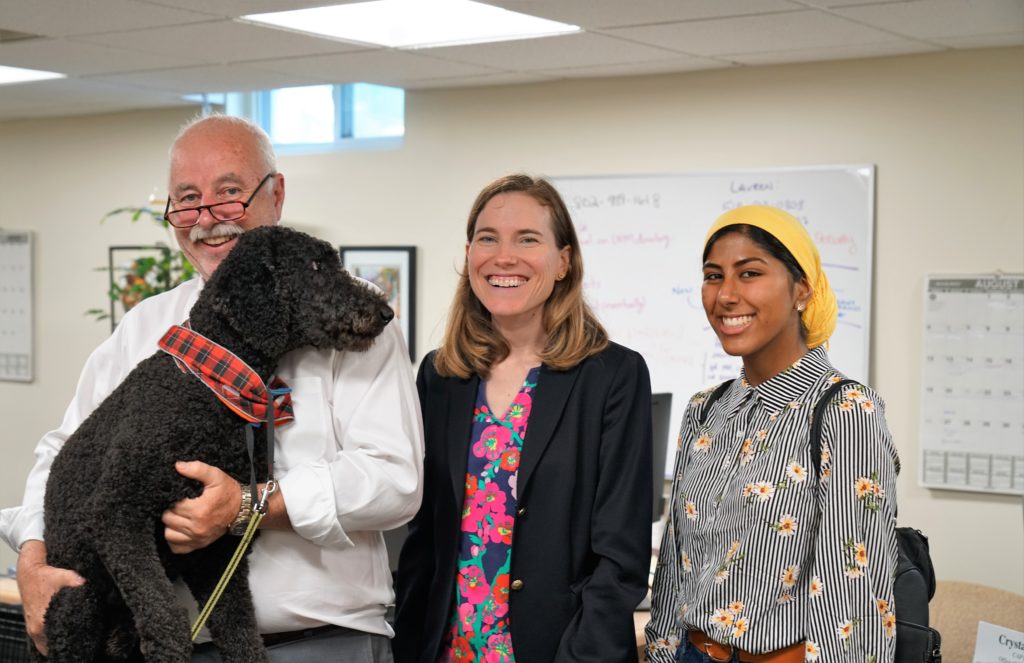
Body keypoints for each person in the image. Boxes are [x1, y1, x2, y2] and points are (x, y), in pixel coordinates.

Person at [0, 114, 424, 662]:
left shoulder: (348, 316)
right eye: (188, 200)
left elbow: (395, 475)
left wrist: (250, 506)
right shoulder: (146, 325)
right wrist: (34, 562)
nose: (209, 219)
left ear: (277, 193)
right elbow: (65, 453)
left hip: (319, 642)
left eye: (229, 193)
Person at [392, 173, 653, 663]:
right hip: (447, 650)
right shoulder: (440, 375)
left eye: (527, 239)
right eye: (487, 239)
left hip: (559, 652)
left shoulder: (612, 375)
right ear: (469, 254)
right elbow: (422, 539)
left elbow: (621, 557)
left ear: (563, 262)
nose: (503, 257)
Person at [645, 205, 900, 662]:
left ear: (801, 288)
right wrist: (662, 653)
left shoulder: (844, 410)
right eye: (713, 275)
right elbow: (675, 563)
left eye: (749, 273)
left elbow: (856, 593)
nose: (725, 294)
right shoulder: (704, 410)